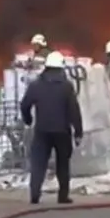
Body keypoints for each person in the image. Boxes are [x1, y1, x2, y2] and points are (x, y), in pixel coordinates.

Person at [19, 51, 83, 205]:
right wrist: (78, 132)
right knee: (63, 164)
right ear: (61, 68)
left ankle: (34, 195)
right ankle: (63, 196)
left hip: (42, 131)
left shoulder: (36, 85)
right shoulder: (67, 86)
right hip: (62, 132)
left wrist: (28, 120)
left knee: (38, 164)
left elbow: (24, 105)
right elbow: (74, 110)